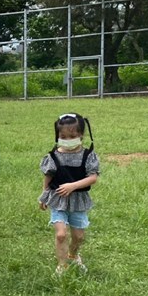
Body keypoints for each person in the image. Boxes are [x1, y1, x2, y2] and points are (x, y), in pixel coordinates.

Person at [38, 113, 99, 276]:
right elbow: (48, 176)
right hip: (58, 199)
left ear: (81, 135)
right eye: (63, 136)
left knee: (79, 236)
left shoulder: (88, 156)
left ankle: (73, 254)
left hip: (78, 200)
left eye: (72, 136)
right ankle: (62, 265)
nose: (67, 139)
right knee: (61, 234)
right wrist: (44, 195)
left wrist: (73, 186)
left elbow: (93, 178)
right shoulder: (53, 156)